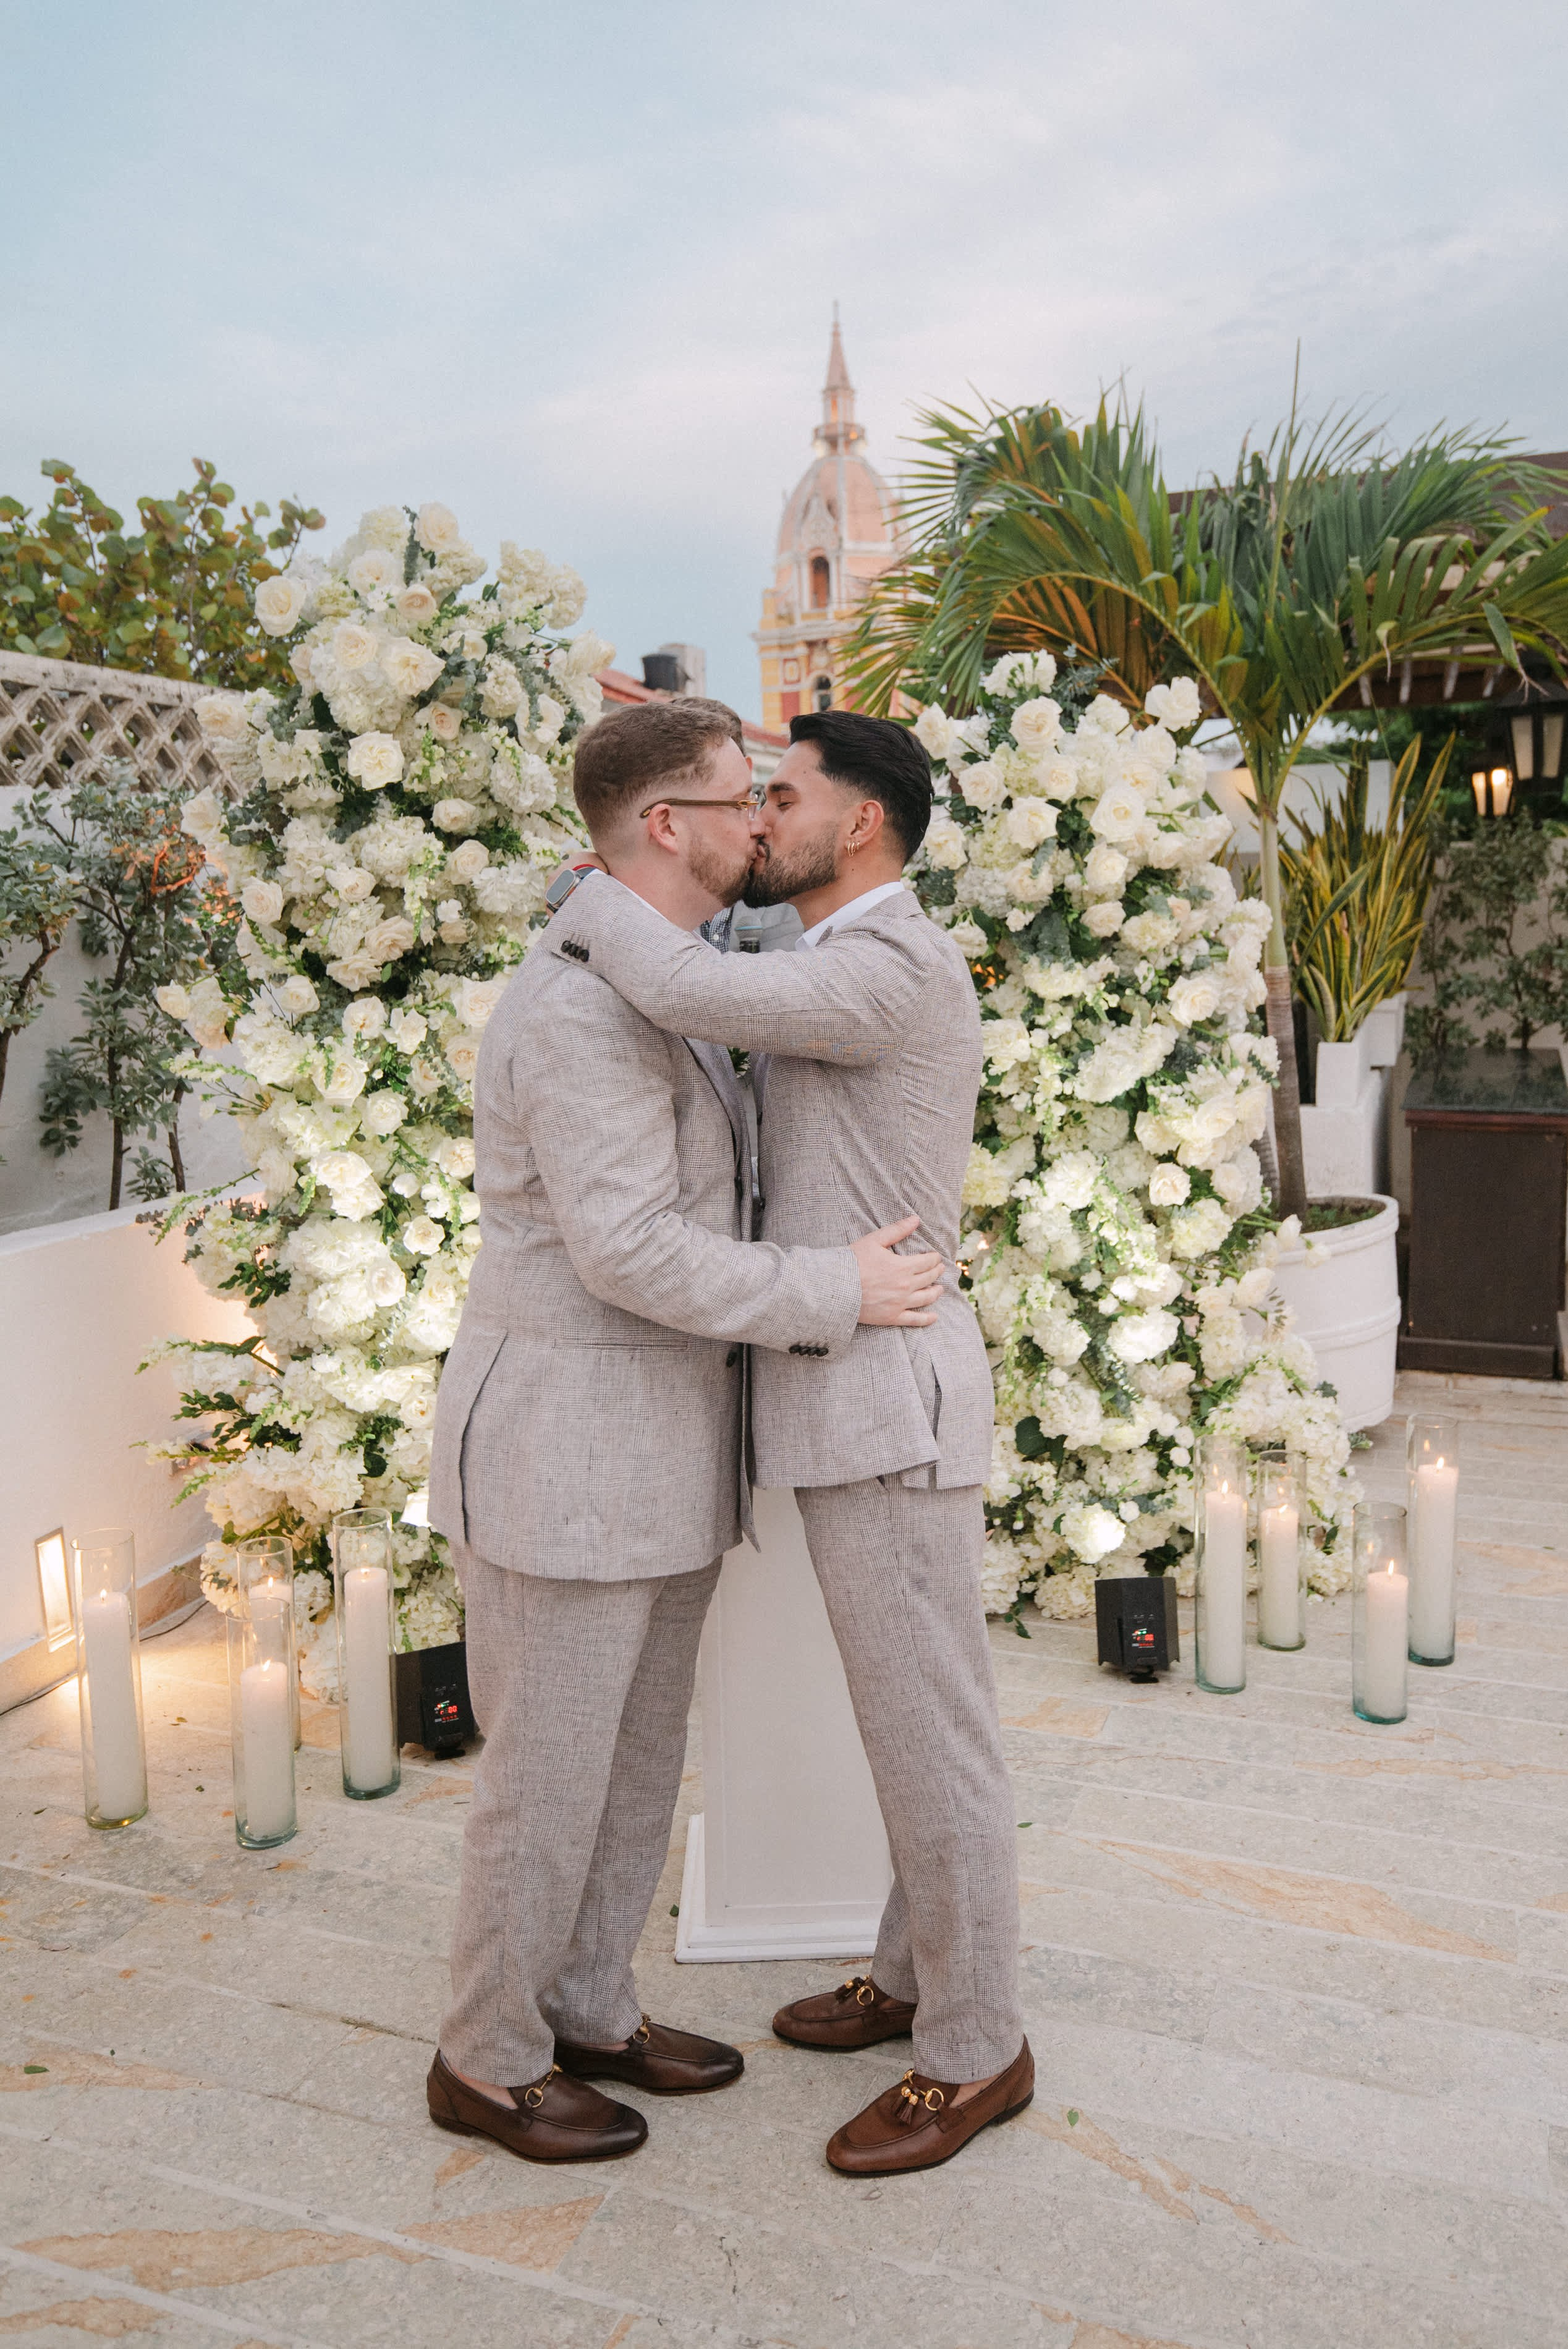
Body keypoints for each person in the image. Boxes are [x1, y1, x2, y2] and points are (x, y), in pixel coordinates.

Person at [424, 698, 946, 2165]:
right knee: (543, 1779)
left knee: (635, 1762)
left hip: (660, 1454)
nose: (761, 820)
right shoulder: (581, 1005)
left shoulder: (683, 969)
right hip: (567, 1454)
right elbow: (627, 1251)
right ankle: (488, 2053)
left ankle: (589, 2003)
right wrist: (831, 1288)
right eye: (741, 797)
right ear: (670, 824)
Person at [548, 709, 1030, 2178]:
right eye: (745, 796)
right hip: (843, 1395)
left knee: (932, 1737)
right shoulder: (819, 957)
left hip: (888, 1405)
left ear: (861, 826)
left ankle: (975, 2050)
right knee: (910, 1726)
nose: (761, 819)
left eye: (784, 795)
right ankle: (916, 1976)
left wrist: (588, 885)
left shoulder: (892, 962)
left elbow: (680, 974)